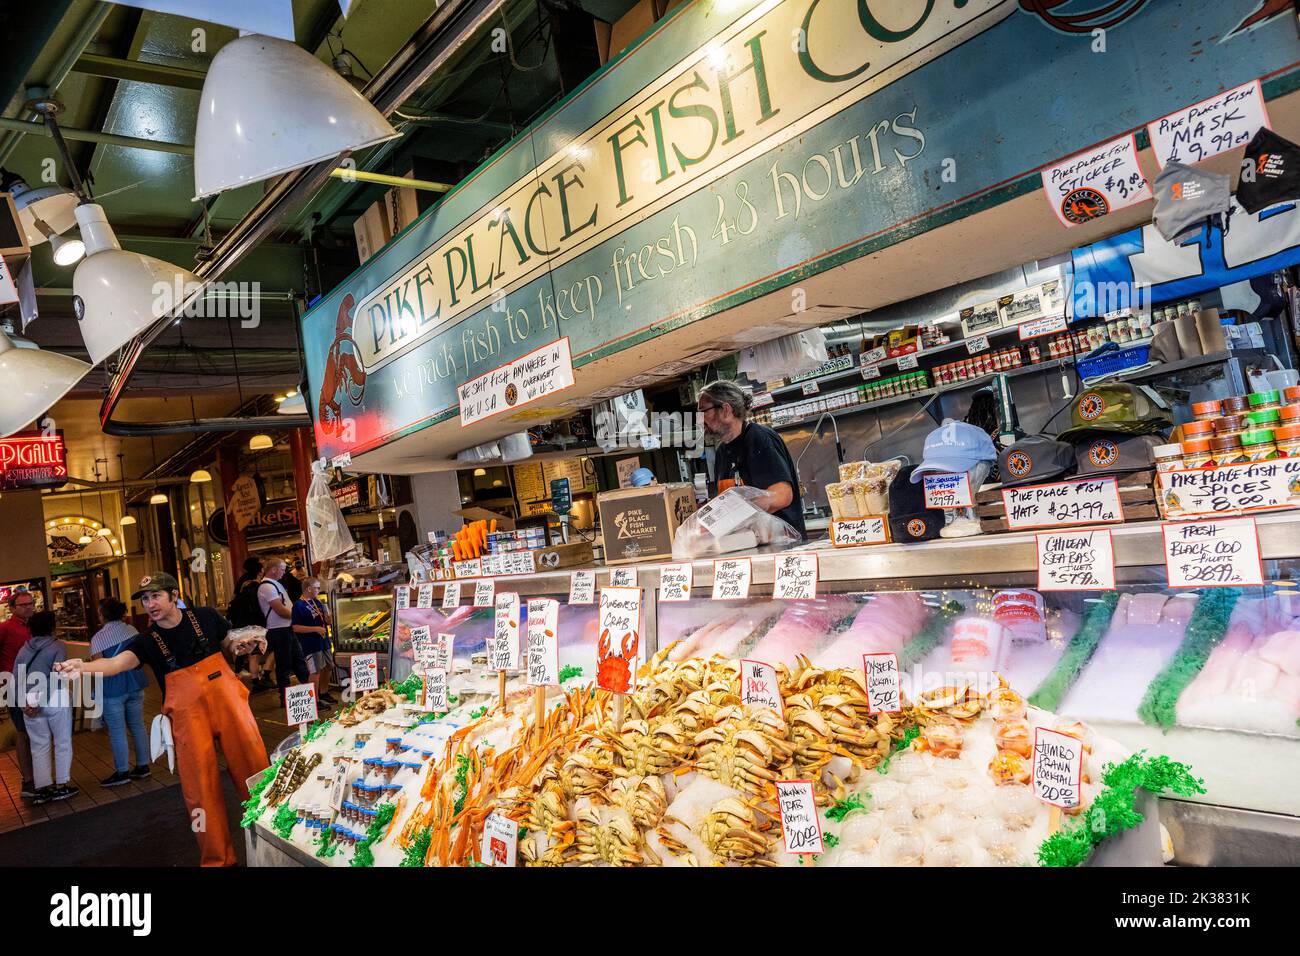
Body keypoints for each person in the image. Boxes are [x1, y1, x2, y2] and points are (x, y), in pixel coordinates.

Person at [55, 572, 268, 867]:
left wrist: (241, 646)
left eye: (155, 596)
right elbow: (115, 663)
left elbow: (229, 644)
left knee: (255, 770)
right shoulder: (146, 642)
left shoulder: (206, 617)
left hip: (230, 707)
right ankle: (217, 860)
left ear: (174, 596)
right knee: (199, 792)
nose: (150, 604)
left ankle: (273, 837)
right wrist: (84, 667)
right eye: (145, 599)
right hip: (188, 720)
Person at [697, 380, 806, 537]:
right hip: (746, 544)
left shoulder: (759, 439)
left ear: (726, 410)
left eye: (703, 412)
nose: (700, 419)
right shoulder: (722, 452)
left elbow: (782, 496)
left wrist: (733, 515)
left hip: (781, 544)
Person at [16, 611, 77, 804]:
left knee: (38, 746)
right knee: (62, 742)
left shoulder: (23, 649)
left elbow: (16, 677)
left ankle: (42, 789)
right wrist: (40, 702)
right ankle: (61, 785)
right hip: (54, 698)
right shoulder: (58, 646)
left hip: (28, 700)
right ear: (52, 627)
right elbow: (55, 676)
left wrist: (24, 703)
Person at [89, 598, 151, 787]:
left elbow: (98, 667)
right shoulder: (132, 630)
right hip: (135, 684)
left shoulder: (98, 638)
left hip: (112, 689)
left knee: (117, 731)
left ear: (102, 615)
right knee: (138, 725)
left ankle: (122, 771)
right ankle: (143, 766)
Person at [0, 590, 37, 799]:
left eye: (31, 603)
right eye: (23, 605)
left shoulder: (36, 626)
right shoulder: (5, 628)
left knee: (38, 731)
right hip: (15, 687)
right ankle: (28, 780)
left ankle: (40, 777)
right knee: (23, 732)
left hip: (38, 686)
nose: (28, 607)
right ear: (12, 608)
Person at [259, 558, 308, 703]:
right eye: (282, 569)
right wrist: (298, 616)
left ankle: (312, 695)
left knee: (298, 661)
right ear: (274, 569)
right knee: (284, 664)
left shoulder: (275, 584)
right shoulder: (267, 586)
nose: (284, 572)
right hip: (278, 630)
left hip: (287, 628)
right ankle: (286, 699)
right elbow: (279, 610)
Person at [292, 578, 336, 707]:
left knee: (329, 666)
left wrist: (328, 619)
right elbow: (295, 627)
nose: (318, 590)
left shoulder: (317, 602)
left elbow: (326, 621)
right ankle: (314, 701)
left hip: (324, 640)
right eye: (316, 588)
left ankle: (323, 692)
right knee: (315, 671)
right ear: (309, 589)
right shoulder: (298, 605)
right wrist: (315, 629)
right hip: (310, 643)